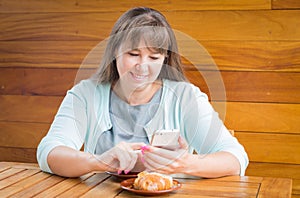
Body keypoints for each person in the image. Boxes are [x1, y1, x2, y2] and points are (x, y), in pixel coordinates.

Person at [37, 7, 248, 178]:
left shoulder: (186, 97)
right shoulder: (85, 94)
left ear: (165, 59)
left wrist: (186, 164)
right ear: (114, 52)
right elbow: (49, 151)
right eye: (133, 54)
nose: (142, 66)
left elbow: (235, 158)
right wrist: (99, 161)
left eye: (154, 58)